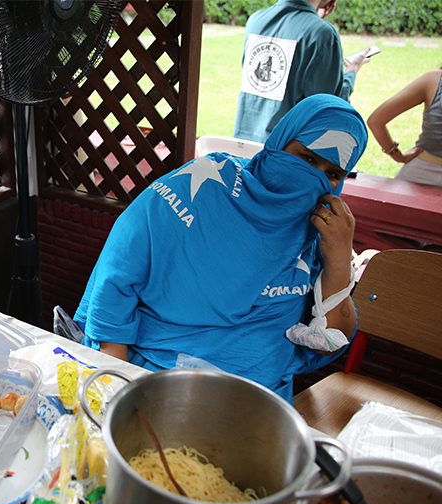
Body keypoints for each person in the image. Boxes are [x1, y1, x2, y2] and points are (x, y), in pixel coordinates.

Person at [74, 94, 368, 403]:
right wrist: (121, 389)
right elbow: (115, 282)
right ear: (279, 142)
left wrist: (338, 260)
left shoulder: (322, 228)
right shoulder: (199, 189)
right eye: (306, 158)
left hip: (257, 403)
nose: (313, 178)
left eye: (331, 173)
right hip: (158, 381)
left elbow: (333, 340)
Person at [233, 0, 371, 144]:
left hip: (243, 148)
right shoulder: (323, 33)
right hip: (286, 154)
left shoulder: (256, 20)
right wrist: (352, 70)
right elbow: (330, 108)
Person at [367, 67, 442, 187]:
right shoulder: (434, 80)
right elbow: (375, 121)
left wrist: (396, 154)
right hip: (418, 176)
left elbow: (376, 121)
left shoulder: (433, 79)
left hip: (419, 173)